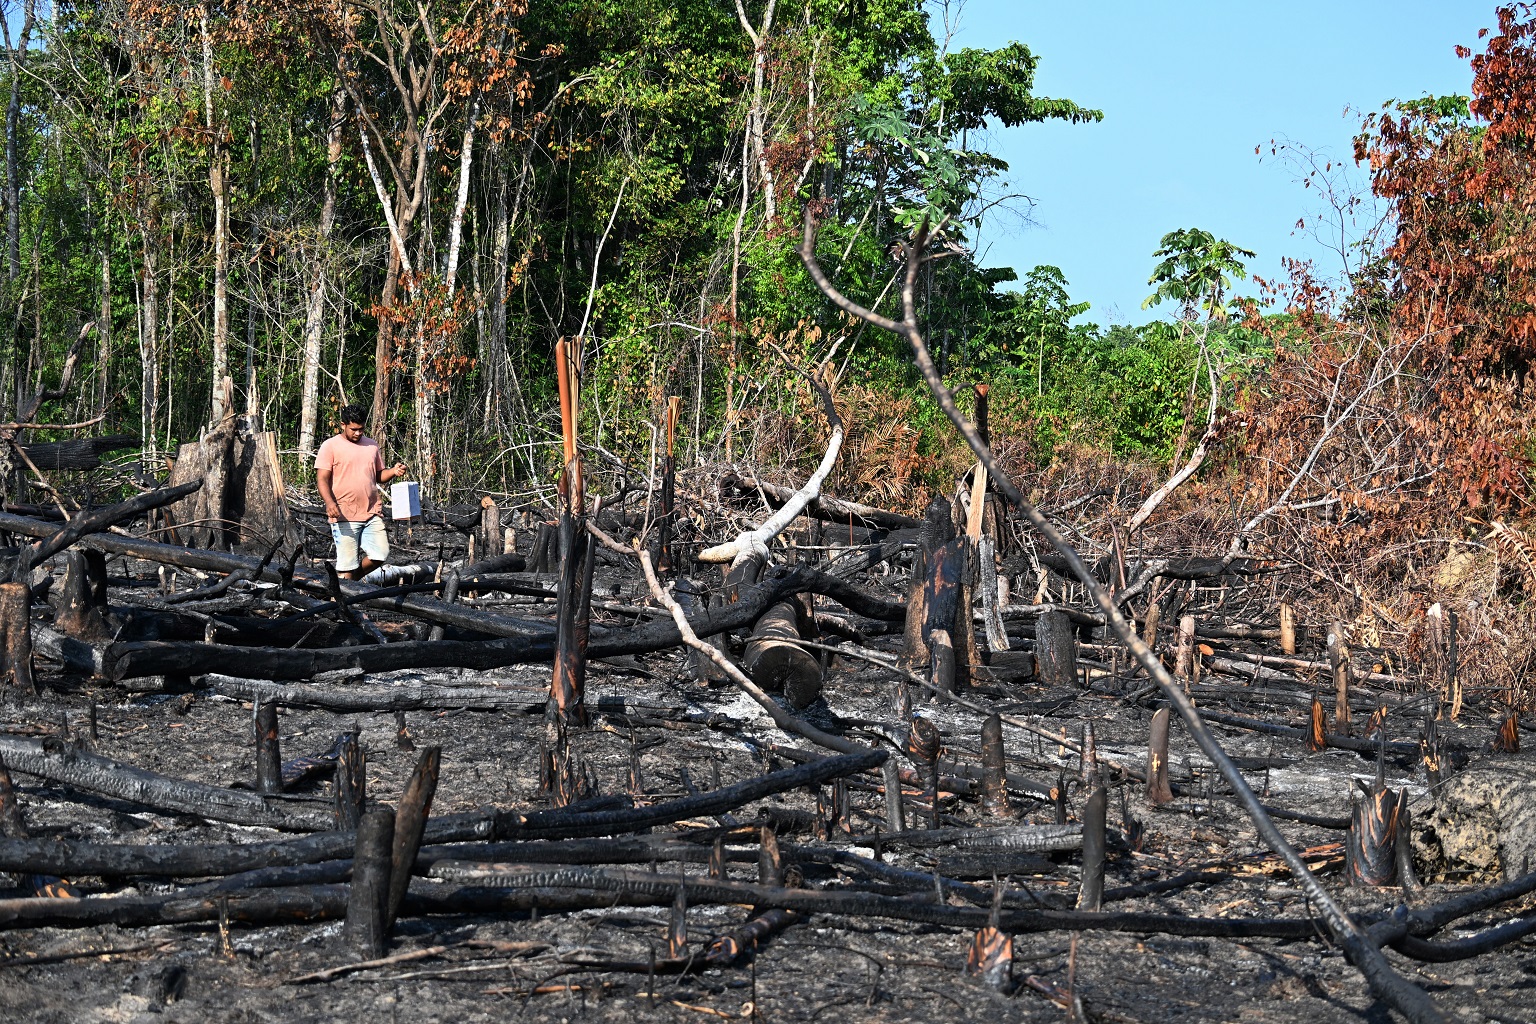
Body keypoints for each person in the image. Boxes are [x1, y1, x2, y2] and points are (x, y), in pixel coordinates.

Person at [315, 404, 407, 580]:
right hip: (344, 515)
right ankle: (340, 602)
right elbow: (322, 479)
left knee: (380, 553)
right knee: (346, 566)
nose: (358, 433)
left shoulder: (371, 446)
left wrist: (393, 472)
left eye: (361, 429)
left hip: (371, 512)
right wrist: (329, 502)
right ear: (343, 425)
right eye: (353, 429)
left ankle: (348, 583)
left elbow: (379, 475)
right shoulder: (330, 446)